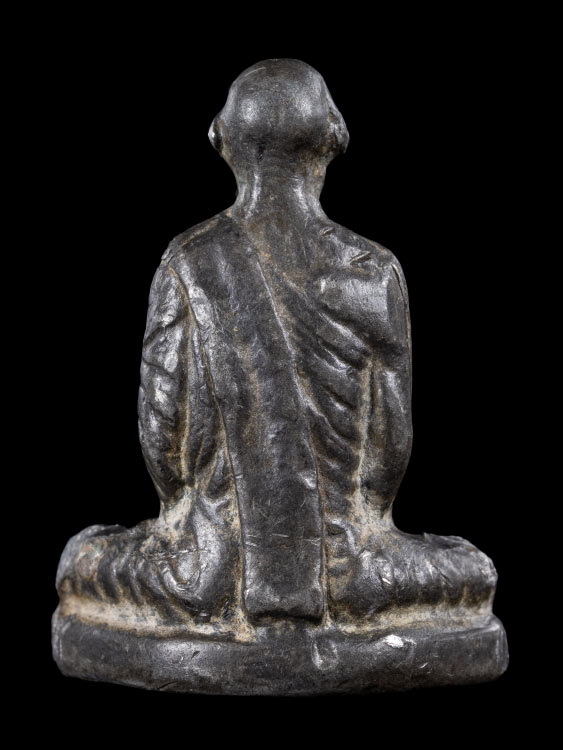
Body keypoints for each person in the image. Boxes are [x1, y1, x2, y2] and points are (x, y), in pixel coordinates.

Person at [56, 59, 496, 631]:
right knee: (471, 570)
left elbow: (162, 448)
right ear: (335, 135)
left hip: (207, 571)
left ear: (220, 137)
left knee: (83, 558)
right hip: (351, 572)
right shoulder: (373, 272)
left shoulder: (188, 261)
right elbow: (388, 458)